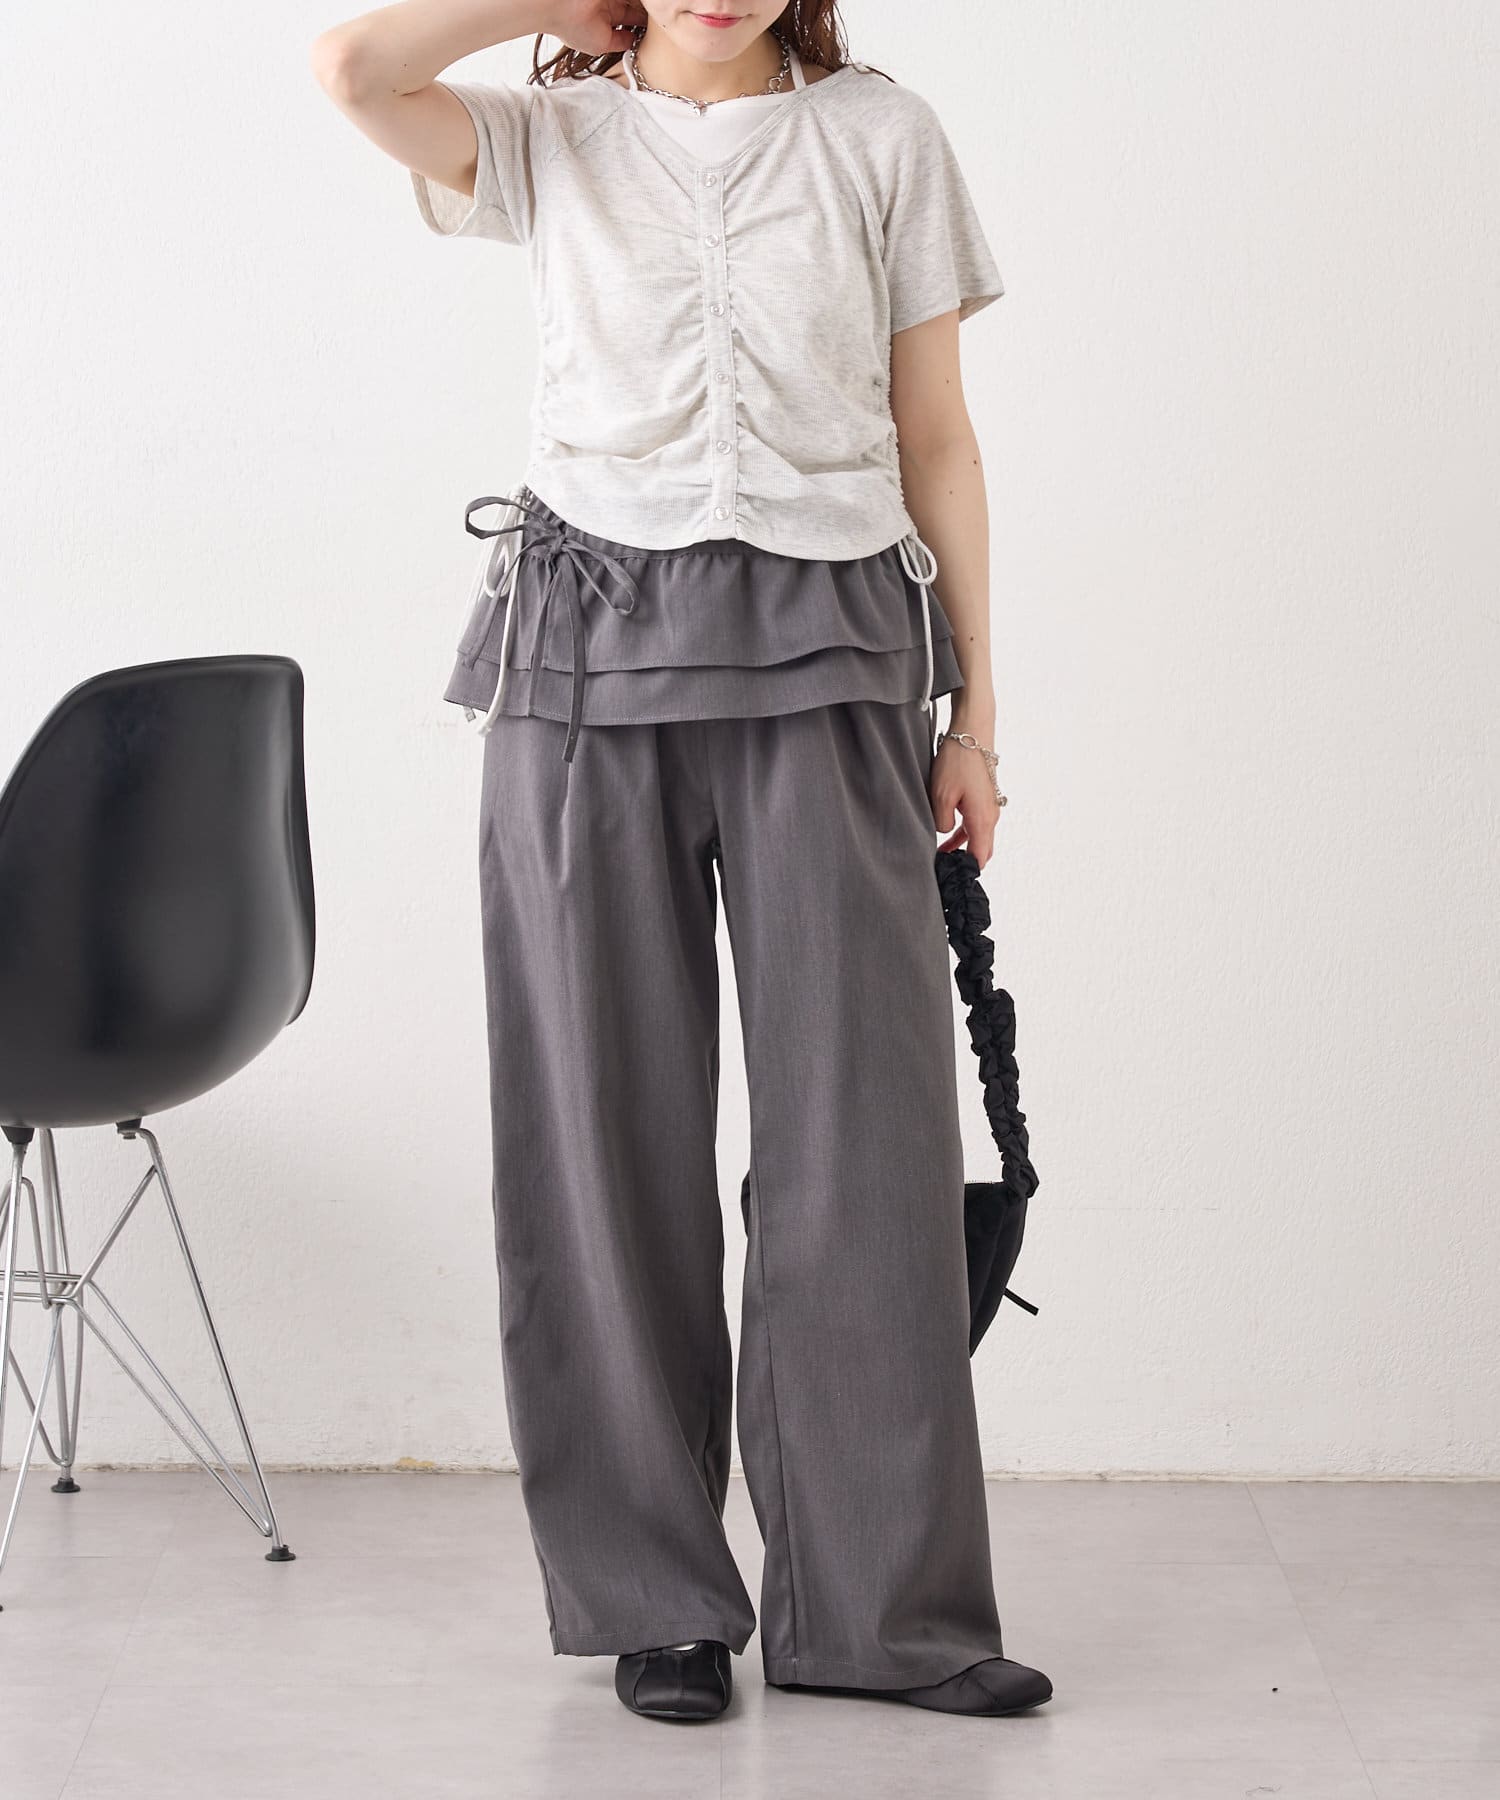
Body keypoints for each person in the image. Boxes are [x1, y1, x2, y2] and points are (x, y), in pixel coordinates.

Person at [311, 0, 1052, 1724]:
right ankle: (654, 1598)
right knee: (599, 1137)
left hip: (835, 652)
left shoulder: (882, 135)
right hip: (580, 662)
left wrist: (977, 715)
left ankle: (882, 1616)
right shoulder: (548, 136)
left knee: (865, 1144)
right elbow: (355, 70)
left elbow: (938, 433)